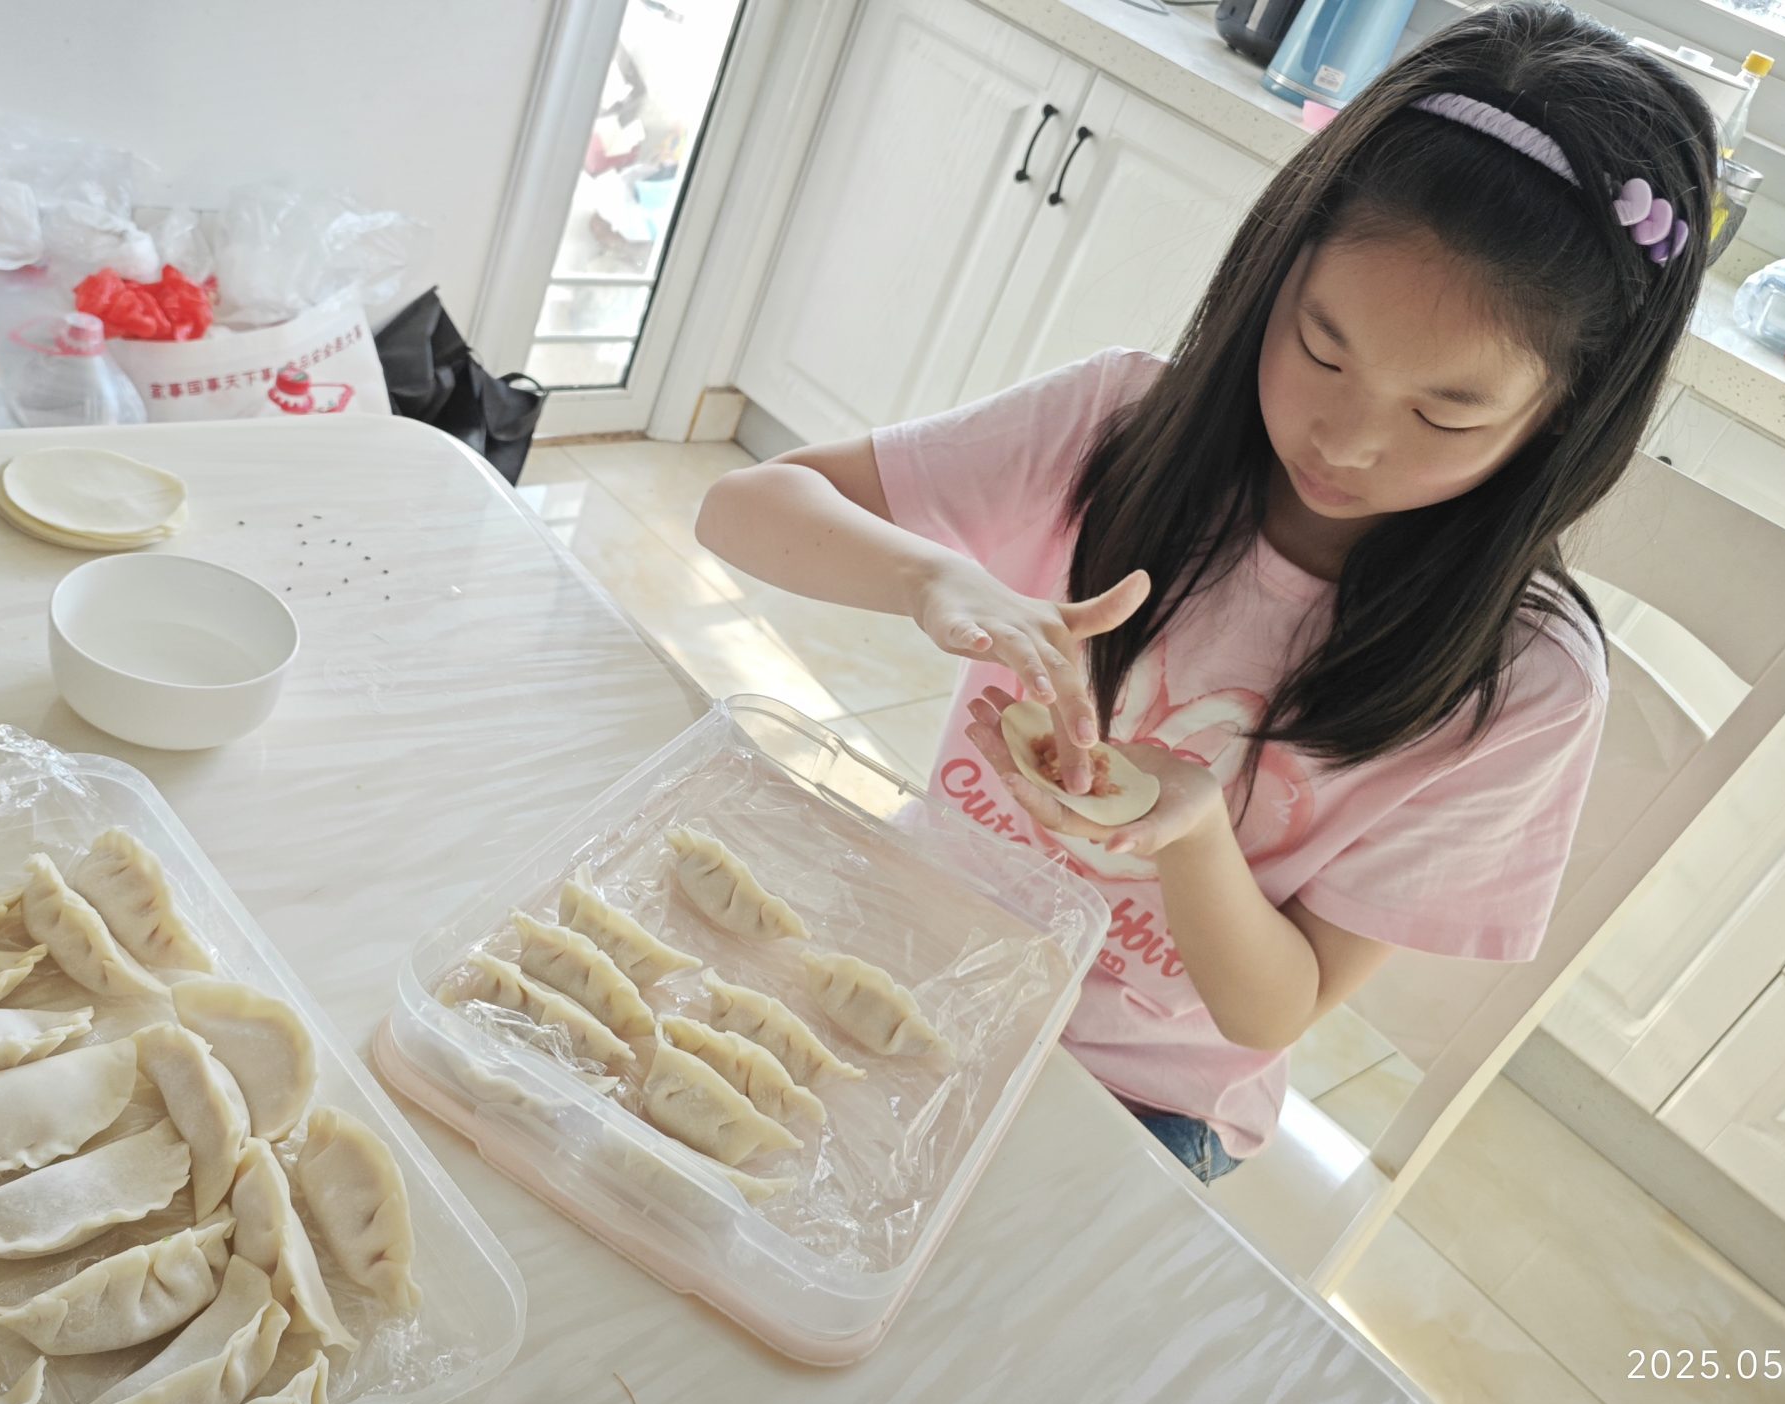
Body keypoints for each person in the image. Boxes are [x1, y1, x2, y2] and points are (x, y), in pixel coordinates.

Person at [693, 0, 1715, 1184]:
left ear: (1565, 417)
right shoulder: (1121, 424)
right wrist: (933, 577)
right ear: (1273, 276)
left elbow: (1269, 1011)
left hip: (1133, 1092)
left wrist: (1189, 834)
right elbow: (743, 509)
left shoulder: (1521, 690)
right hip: (912, 942)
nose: (1345, 439)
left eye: (1444, 412)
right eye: (1322, 349)